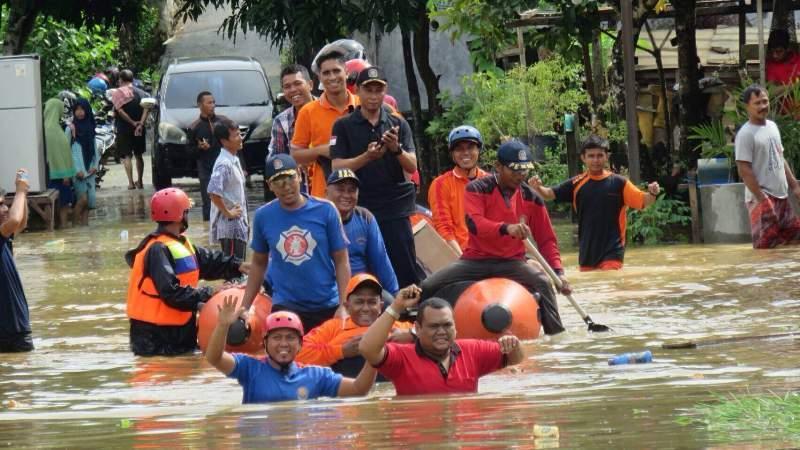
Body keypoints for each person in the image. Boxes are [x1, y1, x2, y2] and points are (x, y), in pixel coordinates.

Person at [420, 140, 568, 336]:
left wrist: (558, 272)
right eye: (514, 170)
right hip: (475, 261)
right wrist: (507, 228)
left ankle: (556, 336)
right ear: (498, 167)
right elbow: (475, 223)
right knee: (428, 286)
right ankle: (417, 331)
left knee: (543, 283)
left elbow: (547, 240)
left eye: (524, 170)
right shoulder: (477, 188)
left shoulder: (532, 198)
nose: (520, 175)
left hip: (512, 262)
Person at [125, 188, 249, 356]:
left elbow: (208, 261)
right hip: (153, 335)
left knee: (187, 364)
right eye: (187, 212)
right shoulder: (157, 250)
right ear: (180, 215)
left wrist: (238, 265)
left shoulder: (180, 244)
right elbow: (171, 292)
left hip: (178, 329)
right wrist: (210, 293)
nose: (187, 216)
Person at [331, 67, 424, 288]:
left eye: (378, 90)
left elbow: (412, 166)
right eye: (368, 90)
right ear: (357, 91)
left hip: (395, 207)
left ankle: (407, 304)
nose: (373, 96)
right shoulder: (343, 125)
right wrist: (367, 157)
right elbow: (336, 166)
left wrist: (396, 149)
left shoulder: (398, 123)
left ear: (385, 91)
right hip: (360, 206)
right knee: (363, 266)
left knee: (404, 267)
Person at [240, 154, 351, 332]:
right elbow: (259, 264)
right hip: (286, 305)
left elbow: (341, 260)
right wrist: (244, 307)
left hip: (327, 303)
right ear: (269, 185)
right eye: (278, 181)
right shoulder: (263, 216)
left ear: (299, 175)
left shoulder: (326, 210)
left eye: (290, 178)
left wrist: (344, 305)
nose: (286, 187)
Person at [359, 286, 524, 396]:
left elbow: (515, 359)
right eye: (434, 326)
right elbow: (367, 348)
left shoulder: (472, 350)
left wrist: (513, 345)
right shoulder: (401, 358)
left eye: (447, 325)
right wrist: (396, 307)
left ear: (455, 327)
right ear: (418, 329)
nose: (441, 332)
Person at [206, 299, 376, 403]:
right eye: (277, 337)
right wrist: (222, 326)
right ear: (265, 343)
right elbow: (215, 358)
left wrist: (374, 356)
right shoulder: (250, 368)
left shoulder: (316, 376)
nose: (284, 344)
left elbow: (359, 389)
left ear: (301, 344)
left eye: (290, 338)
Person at [530, 135, 660, 271]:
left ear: (606, 156)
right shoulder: (576, 184)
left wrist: (652, 193)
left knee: (609, 280)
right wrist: (538, 187)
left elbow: (644, 201)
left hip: (612, 250)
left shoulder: (619, 183)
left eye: (600, 155)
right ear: (583, 158)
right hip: (587, 252)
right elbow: (549, 194)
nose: (596, 160)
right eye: (591, 156)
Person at [295, 274, 412, 376]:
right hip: (346, 388)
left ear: (380, 306)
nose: (366, 308)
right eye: (359, 302)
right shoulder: (333, 327)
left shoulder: (397, 327)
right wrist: (341, 351)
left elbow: (422, 335)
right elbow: (297, 353)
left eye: (372, 302)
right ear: (347, 306)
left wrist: (410, 336)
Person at [734, 85, 800, 249]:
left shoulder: (772, 126)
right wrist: (762, 199)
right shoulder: (745, 134)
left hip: (781, 196)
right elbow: (744, 170)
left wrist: (794, 185)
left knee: (795, 240)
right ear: (747, 106)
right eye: (757, 103)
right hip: (761, 198)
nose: (763, 106)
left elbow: (780, 157)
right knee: (765, 248)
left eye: (765, 101)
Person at [291, 49, 359, 198]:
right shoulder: (308, 111)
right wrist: (321, 150)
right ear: (319, 78)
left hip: (364, 189)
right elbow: (295, 155)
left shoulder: (362, 105)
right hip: (325, 193)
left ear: (346, 72)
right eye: (326, 73)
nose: (332, 77)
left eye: (336, 71)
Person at [326, 169, 399, 295]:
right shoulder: (316, 220)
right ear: (326, 192)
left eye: (351, 190)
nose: (346, 195)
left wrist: (395, 295)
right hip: (328, 292)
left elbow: (381, 262)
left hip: (361, 289)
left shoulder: (365, 217)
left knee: (388, 299)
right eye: (340, 189)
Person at [428, 125, 489, 255]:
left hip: (493, 252)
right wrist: (462, 260)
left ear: (479, 150)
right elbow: (443, 228)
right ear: (452, 154)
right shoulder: (441, 184)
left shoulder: (491, 181)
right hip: (463, 253)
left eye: (470, 147)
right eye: (459, 149)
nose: (465, 152)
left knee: (533, 264)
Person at [0, 169, 33, 352]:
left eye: (5, 204)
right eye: (0, 205)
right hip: (10, 332)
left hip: (14, 330)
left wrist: (23, 193)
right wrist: (19, 191)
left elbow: (20, 223)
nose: (5, 209)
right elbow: (14, 221)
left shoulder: (4, 238)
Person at [208, 120, 249, 263]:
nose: (240, 138)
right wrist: (228, 213)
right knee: (233, 269)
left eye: (240, 134)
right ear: (224, 141)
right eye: (236, 135)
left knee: (239, 268)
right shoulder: (224, 163)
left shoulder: (233, 159)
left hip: (237, 224)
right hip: (230, 226)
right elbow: (213, 191)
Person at [187, 91, 230, 221]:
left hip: (224, 166)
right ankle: (208, 229)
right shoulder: (194, 127)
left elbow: (235, 144)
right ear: (200, 105)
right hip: (205, 169)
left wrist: (243, 167)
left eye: (214, 102)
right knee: (208, 203)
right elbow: (188, 151)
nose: (213, 105)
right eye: (209, 103)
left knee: (228, 200)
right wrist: (199, 148)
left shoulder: (224, 122)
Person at [113, 69, 150, 190]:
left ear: (121, 80)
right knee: (139, 155)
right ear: (132, 79)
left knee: (127, 156)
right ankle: (140, 181)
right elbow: (147, 109)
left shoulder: (118, 93)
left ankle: (130, 183)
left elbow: (120, 111)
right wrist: (140, 124)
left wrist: (132, 122)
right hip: (139, 129)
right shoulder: (142, 93)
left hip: (124, 128)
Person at [44, 97, 76, 228]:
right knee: (63, 203)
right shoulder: (52, 129)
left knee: (60, 202)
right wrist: (64, 174)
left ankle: (61, 229)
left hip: (56, 172)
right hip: (59, 174)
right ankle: (63, 228)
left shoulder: (49, 127)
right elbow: (55, 154)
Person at [68, 98, 99, 226]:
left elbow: (95, 150)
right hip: (78, 172)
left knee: (89, 203)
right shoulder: (71, 129)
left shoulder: (91, 127)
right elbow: (67, 152)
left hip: (90, 170)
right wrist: (75, 171)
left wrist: (95, 166)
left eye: (82, 109)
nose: (80, 112)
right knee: (83, 200)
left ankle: (84, 230)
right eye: (77, 110)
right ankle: (74, 227)